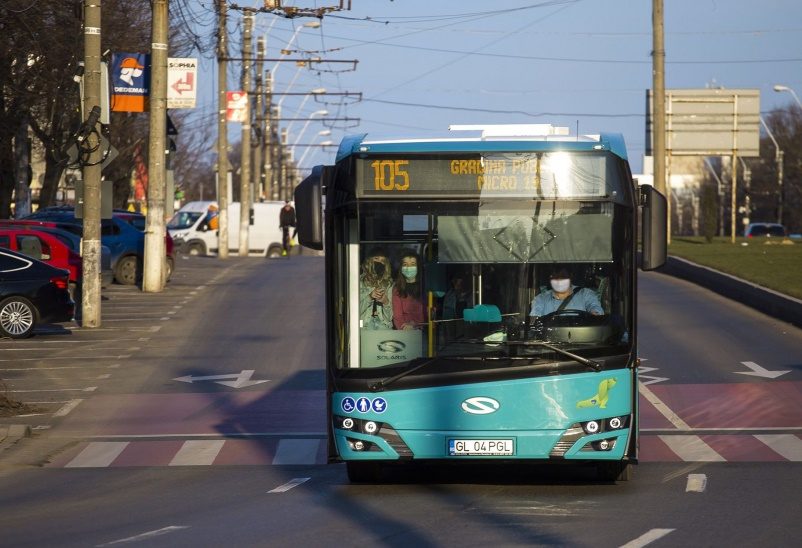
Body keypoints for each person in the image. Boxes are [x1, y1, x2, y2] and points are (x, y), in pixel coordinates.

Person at [529, 266, 604, 319]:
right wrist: (536, 319)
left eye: (563, 276)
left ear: (570, 277)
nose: (559, 280)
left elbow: (594, 307)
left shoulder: (586, 294)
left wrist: (595, 314)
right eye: (555, 277)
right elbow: (535, 317)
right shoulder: (541, 299)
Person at [359, 248, 394, 330]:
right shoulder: (359, 282)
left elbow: (389, 318)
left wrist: (386, 302)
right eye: (376, 259)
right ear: (369, 261)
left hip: (383, 324)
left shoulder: (389, 284)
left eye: (383, 261)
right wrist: (370, 297)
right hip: (364, 324)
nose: (379, 262)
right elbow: (355, 312)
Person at [392, 250, 426, 330]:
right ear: (401, 268)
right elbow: (397, 315)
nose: (409, 268)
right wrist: (405, 329)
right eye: (405, 264)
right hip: (404, 332)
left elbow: (428, 313)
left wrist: (415, 323)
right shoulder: (397, 289)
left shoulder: (425, 288)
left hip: (423, 332)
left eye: (413, 265)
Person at [442, 271, 473, 340]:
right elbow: (446, 317)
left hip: (467, 338)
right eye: (453, 278)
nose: (454, 281)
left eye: (458, 278)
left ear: (466, 279)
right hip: (449, 338)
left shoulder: (474, 295)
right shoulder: (450, 294)